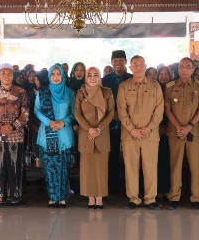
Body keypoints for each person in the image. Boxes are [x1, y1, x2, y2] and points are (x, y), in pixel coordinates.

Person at [117, 55, 164, 210]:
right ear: (130, 67)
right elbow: (121, 110)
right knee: (131, 167)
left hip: (150, 134)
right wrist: (132, 129)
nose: (138, 67)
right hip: (129, 135)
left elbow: (159, 110)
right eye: (135, 65)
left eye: (141, 64)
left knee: (150, 167)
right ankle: (133, 198)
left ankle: (150, 198)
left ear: (145, 66)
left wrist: (149, 128)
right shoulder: (124, 86)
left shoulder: (155, 86)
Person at [0, 63, 29, 207]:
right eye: (3, 73)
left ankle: (16, 196)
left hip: (16, 133)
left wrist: (12, 126)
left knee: (15, 165)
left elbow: (25, 113)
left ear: (13, 75)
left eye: (9, 73)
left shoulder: (21, 92)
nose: (6, 76)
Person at [164, 57, 199, 210]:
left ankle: (196, 198)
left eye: (188, 67)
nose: (184, 69)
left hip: (193, 131)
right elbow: (167, 109)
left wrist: (189, 126)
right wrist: (179, 127)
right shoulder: (169, 86)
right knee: (175, 165)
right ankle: (174, 197)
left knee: (195, 166)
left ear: (193, 69)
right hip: (175, 132)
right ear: (178, 68)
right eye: (182, 66)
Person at [34, 64, 75, 208]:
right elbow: (37, 110)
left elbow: (74, 112)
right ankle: (52, 197)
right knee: (50, 167)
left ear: (63, 76)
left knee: (63, 166)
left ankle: (62, 197)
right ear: (49, 76)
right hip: (46, 134)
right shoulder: (42, 92)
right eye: (53, 74)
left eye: (58, 74)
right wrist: (49, 122)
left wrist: (63, 123)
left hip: (64, 134)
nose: (56, 77)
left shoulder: (69, 92)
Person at [74, 67, 115, 209]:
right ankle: (91, 196)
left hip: (102, 134)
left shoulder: (107, 92)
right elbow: (77, 114)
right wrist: (89, 128)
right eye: (90, 75)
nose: (92, 78)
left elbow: (111, 113)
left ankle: (100, 196)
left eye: (95, 75)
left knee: (101, 168)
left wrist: (98, 128)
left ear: (99, 77)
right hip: (87, 135)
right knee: (87, 169)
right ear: (86, 77)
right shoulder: (81, 93)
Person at [102, 50, 133, 194]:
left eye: (121, 60)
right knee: (112, 155)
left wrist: (124, 114)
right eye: (115, 60)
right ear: (111, 62)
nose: (118, 63)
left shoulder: (131, 78)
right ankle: (113, 187)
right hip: (111, 123)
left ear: (126, 62)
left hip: (130, 123)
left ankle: (130, 187)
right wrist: (112, 113)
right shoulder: (105, 80)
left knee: (130, 156)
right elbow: (101, 100)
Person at [155, 65, 172, 204]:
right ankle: (157, 190)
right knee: (156, 162)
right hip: (154, 131)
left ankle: (167, 191)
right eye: (161, 74)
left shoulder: (173, 88)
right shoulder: (155, 89)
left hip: (171, 130)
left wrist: (167, 127)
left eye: (166, 74)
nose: (163, 77)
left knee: (167, 162)